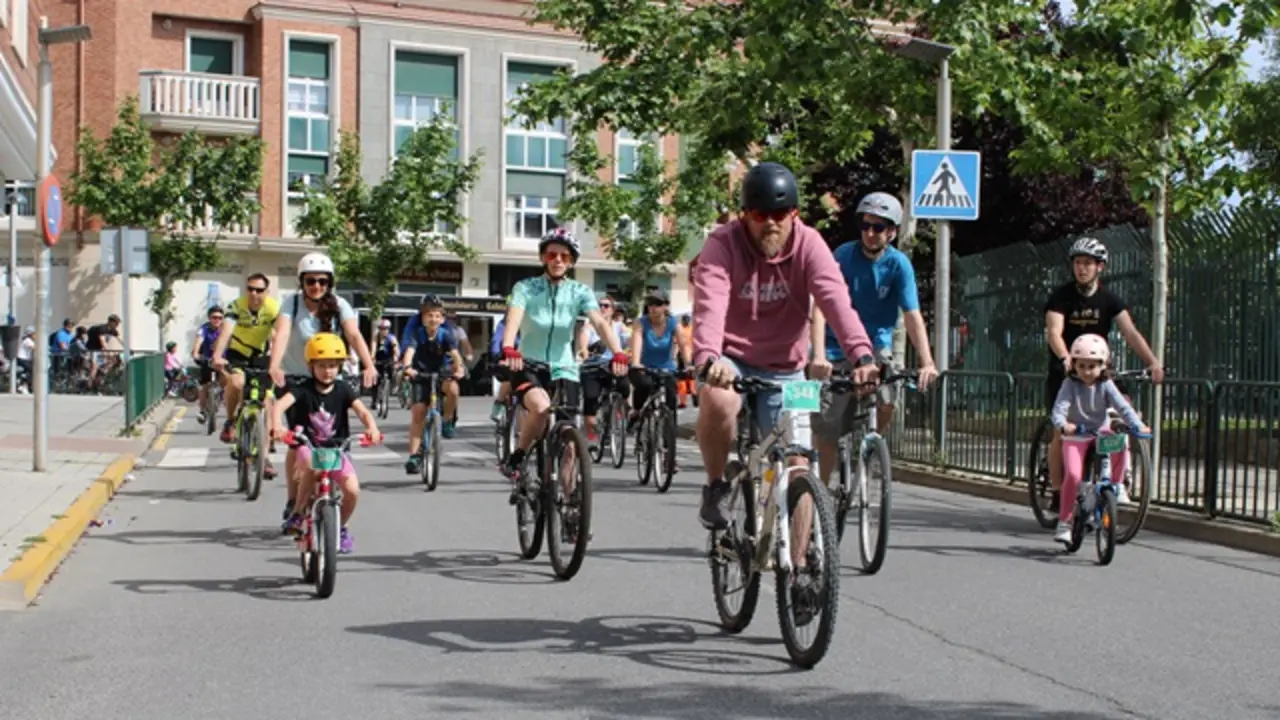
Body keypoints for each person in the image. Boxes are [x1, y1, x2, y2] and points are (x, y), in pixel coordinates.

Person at [691, 161, 879, 533]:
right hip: (733, 361)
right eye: (761, 214)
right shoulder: (721, 244)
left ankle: (804, 573)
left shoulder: (810, 243)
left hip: (789, 368)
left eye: (781, 213)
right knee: (717, 398)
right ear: (745, 215)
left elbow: (836, 300)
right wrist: (709, 358)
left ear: (795, 213)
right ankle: (715, 485)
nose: (771, 223)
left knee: (800, 465)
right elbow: (709, 304)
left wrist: (862, 355)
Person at [808, 191, 939, 488]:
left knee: (887, 398)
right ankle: (821, 498)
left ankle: (870, 448)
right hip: (835, 346)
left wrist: (927, 362)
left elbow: (912, 315)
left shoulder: (898, 265)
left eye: (878, 228)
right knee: (827, 428)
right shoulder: (842, 256)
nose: (870, 233)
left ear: (892, 232)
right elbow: (821, 308)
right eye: (865, 226)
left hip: (876, 346)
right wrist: (818, 356)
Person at [497, 228, 629, 486]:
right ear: (543, 258)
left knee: (570, 437)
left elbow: (600, 324)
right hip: (528, 364)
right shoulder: (525, 287)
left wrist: (619, 353)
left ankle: (569, 504)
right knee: (542, 408)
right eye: (552, 255)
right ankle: (519, 455)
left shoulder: (579, 291)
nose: (558, 260)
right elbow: (514, 318)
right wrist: (509, 347)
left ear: (571, 262)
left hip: (564, 367)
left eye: (565, 257)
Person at [1044, 237, 1163, 509]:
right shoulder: (1060, 297)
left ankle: (1120, 478)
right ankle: (1056, 489)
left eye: (1088, 263)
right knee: (1058, 431)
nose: (1081, 269)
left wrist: (1153, 362)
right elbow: (1054, 332)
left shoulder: (1109, 299)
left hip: (1100, 369)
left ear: (1101, 267)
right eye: (1077, 263)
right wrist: (1065, 358)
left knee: (1122, 414)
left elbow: (1130, 333)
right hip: (1067, 371)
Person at [270, 252, 379, 532]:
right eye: (310, 281)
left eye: (321, 281)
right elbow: (281, 334)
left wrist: (368, 365)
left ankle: (333, 510)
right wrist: (274, 366)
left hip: (329, 374)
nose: (316, 286)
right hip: (296, 378)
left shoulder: (339, 304)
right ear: (302, 282)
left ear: (329, 282)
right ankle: (293, 500)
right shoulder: (292, 304)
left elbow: (353, 335)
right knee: (299, 441)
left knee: (331, 436)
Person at [273, 333, 382, 554]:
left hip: (337, 450)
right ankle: (297, 512)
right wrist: (277, 426)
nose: (328, 370)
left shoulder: (343, 389)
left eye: (333, 365)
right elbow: (279, 406)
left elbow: (362, 411)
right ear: (311, 365)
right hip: (309, 446)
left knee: (352, 490)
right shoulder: (303, 389)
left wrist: (372, 427)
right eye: (322, 365)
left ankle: (340, 527)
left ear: (340, 366)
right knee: (313, 467)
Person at [1050, 334, 1149, 543]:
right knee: (1074, 476)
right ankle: (1065, 522)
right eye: (1082, 365)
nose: (1087, 371)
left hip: (1100, 432)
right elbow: (1059, 410)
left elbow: (1123, 407)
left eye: (1092, 366)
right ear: (1074, 365)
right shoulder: (1069, 384)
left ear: (1103, 365)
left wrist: (1137, 425)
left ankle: (1117, 484)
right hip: (1076, 436)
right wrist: (1064, 425)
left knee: (1120, 442)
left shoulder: (1106, 384)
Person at [211, 273, 281, 478]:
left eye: (259, 290)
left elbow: (278, 336)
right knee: (237, 382)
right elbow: (225, 333)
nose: (254, 293)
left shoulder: (273, 309)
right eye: (250, 288)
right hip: (238, 354)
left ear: (266, 292)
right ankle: (231, 420)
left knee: (267, 402)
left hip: (261, 356)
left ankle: (264, 457)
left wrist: (277, 364)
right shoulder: (236, 306)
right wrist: (217, 356)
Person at [403, 294, 466, 473]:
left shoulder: (446, 335)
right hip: (420, 373)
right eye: (429, 315)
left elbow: (455, 354)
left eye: (437, 316)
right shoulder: (417, 333)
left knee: (453, 389)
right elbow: (410, 351)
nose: (433, 319)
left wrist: (459, 369)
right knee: (418, 413)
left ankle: (446, 421)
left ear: (442, 319)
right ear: (422, 318)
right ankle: (414, 456)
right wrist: (408, 367)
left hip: (441, 372)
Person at [576, 293, 632, 445]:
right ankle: (592, 438)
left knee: (625, 388)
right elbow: (583, 341)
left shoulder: (619, 327)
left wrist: (633, 348)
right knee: (590, 399)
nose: (602, 308)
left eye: (606, 306)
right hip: (593, 367)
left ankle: (619, 413)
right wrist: (585, 351)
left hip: (613, 366)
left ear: (613, 310)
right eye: (599, 305)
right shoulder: (589, 326)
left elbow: (630, 340)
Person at [628, 289, 691, 423]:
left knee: (671, 395)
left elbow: (683, 344)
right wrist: (636, 362)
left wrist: (688, 365)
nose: (653, 307)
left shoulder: (673, 323)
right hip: (643, 367)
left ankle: (670, 436)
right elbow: (637, 341)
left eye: (657, 304)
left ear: (666, 306)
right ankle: (636, 411)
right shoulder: (640, 323)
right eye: (650, 303)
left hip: (666, 368)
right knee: (645, 385)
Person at [191, 306, 225, 425]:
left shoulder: (225, 329)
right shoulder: (203, 329)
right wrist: (195, 353)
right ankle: (202, 410)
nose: (217, 320)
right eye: (214, 317)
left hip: (222, 361)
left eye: (220, 318)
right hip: (207, 360)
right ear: (209, 318)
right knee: (203, 385)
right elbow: (198, 343)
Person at [489, 302, 520, 422]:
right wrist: (497, 356)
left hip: (525, 360)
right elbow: (496, 341)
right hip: (505, 358)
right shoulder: (503, 325)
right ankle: (499, 403)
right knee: (509, 380)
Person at [371, 318, 400, 412]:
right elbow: (373, 349)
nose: (383, 330)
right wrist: (372, 359)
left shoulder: (391, 338)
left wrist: (396, 359)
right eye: (381, 328)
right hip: (379, 360)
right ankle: (375, 400)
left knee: (393, 372)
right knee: (376, 379)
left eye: (386, 328)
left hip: (389, 359)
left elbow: (396, 351)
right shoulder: (376, 337)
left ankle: (394, 385)